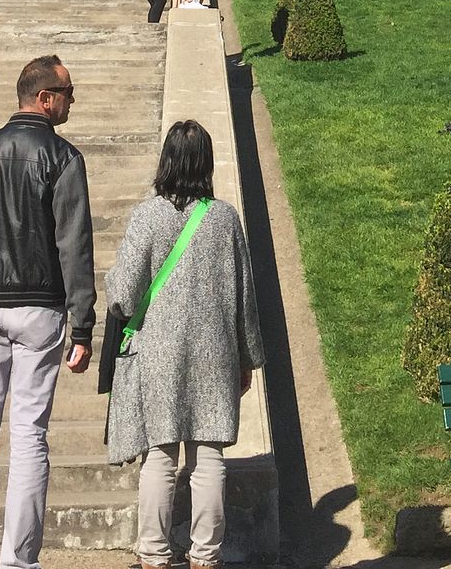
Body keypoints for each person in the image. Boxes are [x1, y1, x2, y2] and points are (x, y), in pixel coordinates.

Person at [0, 55, 94, 569]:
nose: (73, 99)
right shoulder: (63, 158)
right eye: (69, 92)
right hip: (38, 307)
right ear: (44, 98)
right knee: (28, 436)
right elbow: (74, 246)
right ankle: (18, 561)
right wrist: (83, 322)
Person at [106, 119, 264, 569]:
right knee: (209, 457)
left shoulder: (147, 215)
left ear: (167, 161)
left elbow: (123, 295)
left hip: (157, 353)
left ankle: (154, 554)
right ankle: (205, 557)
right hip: (215, 352)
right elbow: (245, 296)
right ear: (206, 163)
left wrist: (111, 281)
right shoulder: (225, 218)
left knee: (159, 455)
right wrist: (248, 356)